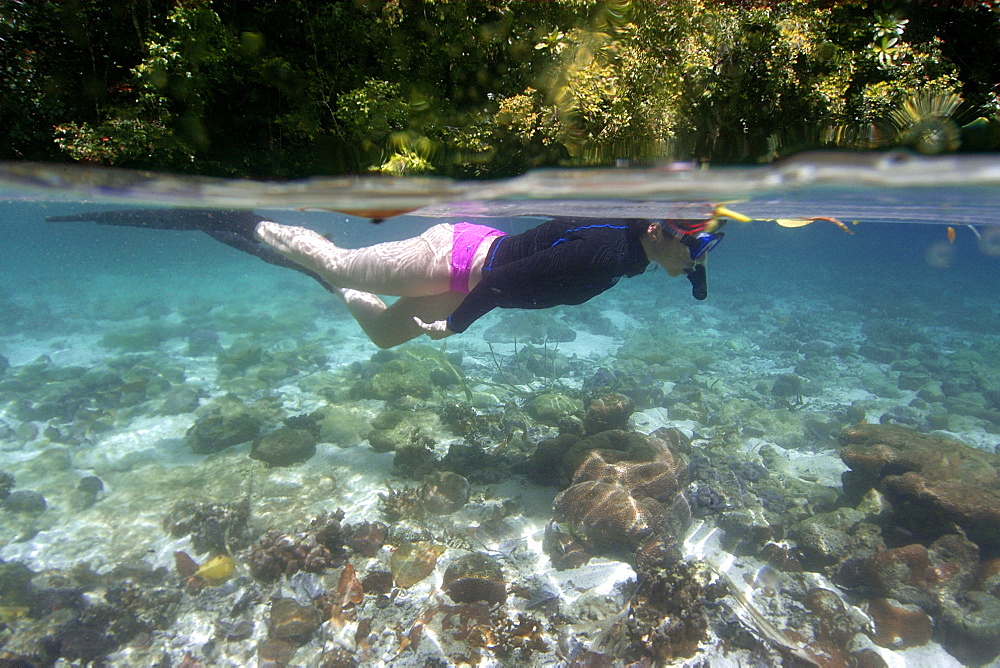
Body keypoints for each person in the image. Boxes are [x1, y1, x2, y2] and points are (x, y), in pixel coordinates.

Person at [48, 208, 730, 348]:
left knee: (379, 332)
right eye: (697, 242)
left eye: (711, 244)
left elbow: (689, 266)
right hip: (458, 260)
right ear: (653, 229)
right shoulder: (607, 254)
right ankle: (242, 222)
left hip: (470, 276)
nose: (702, 253)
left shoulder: (641, 251)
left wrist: (695, 275)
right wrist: (454, 326)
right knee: (341, 261)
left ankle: (299, 262)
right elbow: (506, 283)